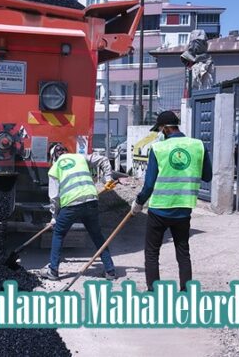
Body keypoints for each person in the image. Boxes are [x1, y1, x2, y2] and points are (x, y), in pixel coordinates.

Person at [131, 111, 212, 291]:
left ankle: (154, 292)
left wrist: (138, 203)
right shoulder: (198, 145)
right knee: (183, 253)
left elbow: (149, 185)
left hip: (159, 210)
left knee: (152, 253)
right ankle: (186, 292)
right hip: (183, 209)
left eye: (160, 130)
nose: (160, 133)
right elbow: (207, 176)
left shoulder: (158, 149)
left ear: (165, 128)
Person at [39, 143, 118, 281]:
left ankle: (53, 270)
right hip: (91, 201)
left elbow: (54, 197)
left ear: (53, 157)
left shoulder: (54, 168)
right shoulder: (80, 157)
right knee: (97, 236)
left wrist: (54, 216)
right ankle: (110, 271)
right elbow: (103, 159)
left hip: (71, 205)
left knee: (58, 234)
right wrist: (108, 178)